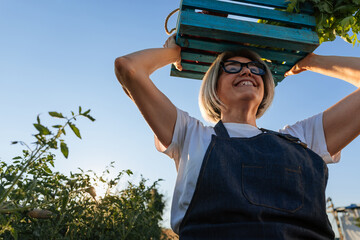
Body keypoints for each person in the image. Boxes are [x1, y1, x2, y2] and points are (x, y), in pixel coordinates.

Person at [114, 35, 360, 239]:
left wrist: (310, 61)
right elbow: (129, 68)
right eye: (232, 67)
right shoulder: (190, 135)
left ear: (265, 86)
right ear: (213, 84)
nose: (247, 71)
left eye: (256, 69)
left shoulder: (303, 137)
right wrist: (175, 52)